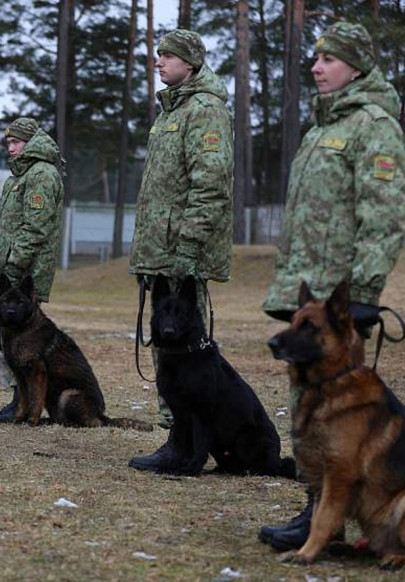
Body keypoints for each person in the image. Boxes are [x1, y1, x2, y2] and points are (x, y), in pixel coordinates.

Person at [256, 21, 405, 552]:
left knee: (335, 414)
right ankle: (317, 510)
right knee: (306, 409)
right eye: (316, 60)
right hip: (308, 292)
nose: (317, 69)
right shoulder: (321, 128)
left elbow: (384, 216)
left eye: (330, 60)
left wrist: (365, 291)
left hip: (340, 304)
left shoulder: (374, 126)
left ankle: (325, 517)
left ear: (357, 67)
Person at [125, 28, 234, 473]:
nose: (158, 61)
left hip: (181, 253)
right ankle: (177, 434)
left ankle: (188, 440)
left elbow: (210, 184)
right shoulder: (171, 110)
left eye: (167, 56)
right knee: (165, 348)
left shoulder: (204, 110)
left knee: (187, 347)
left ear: (190, 63)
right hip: (161, 250)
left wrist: (188, 246)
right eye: (157, 54)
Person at [0, 117, 65, 421]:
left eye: (17, 142)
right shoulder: (18, 176)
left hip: (25, 273)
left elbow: (35, 227)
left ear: (31, 142)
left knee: (27, 342)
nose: (11, 148)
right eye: (8, 143)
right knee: (13, 340)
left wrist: (14, 264)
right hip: (12, 274)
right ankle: (18, 401)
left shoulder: (42, 175)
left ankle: (25, 403)